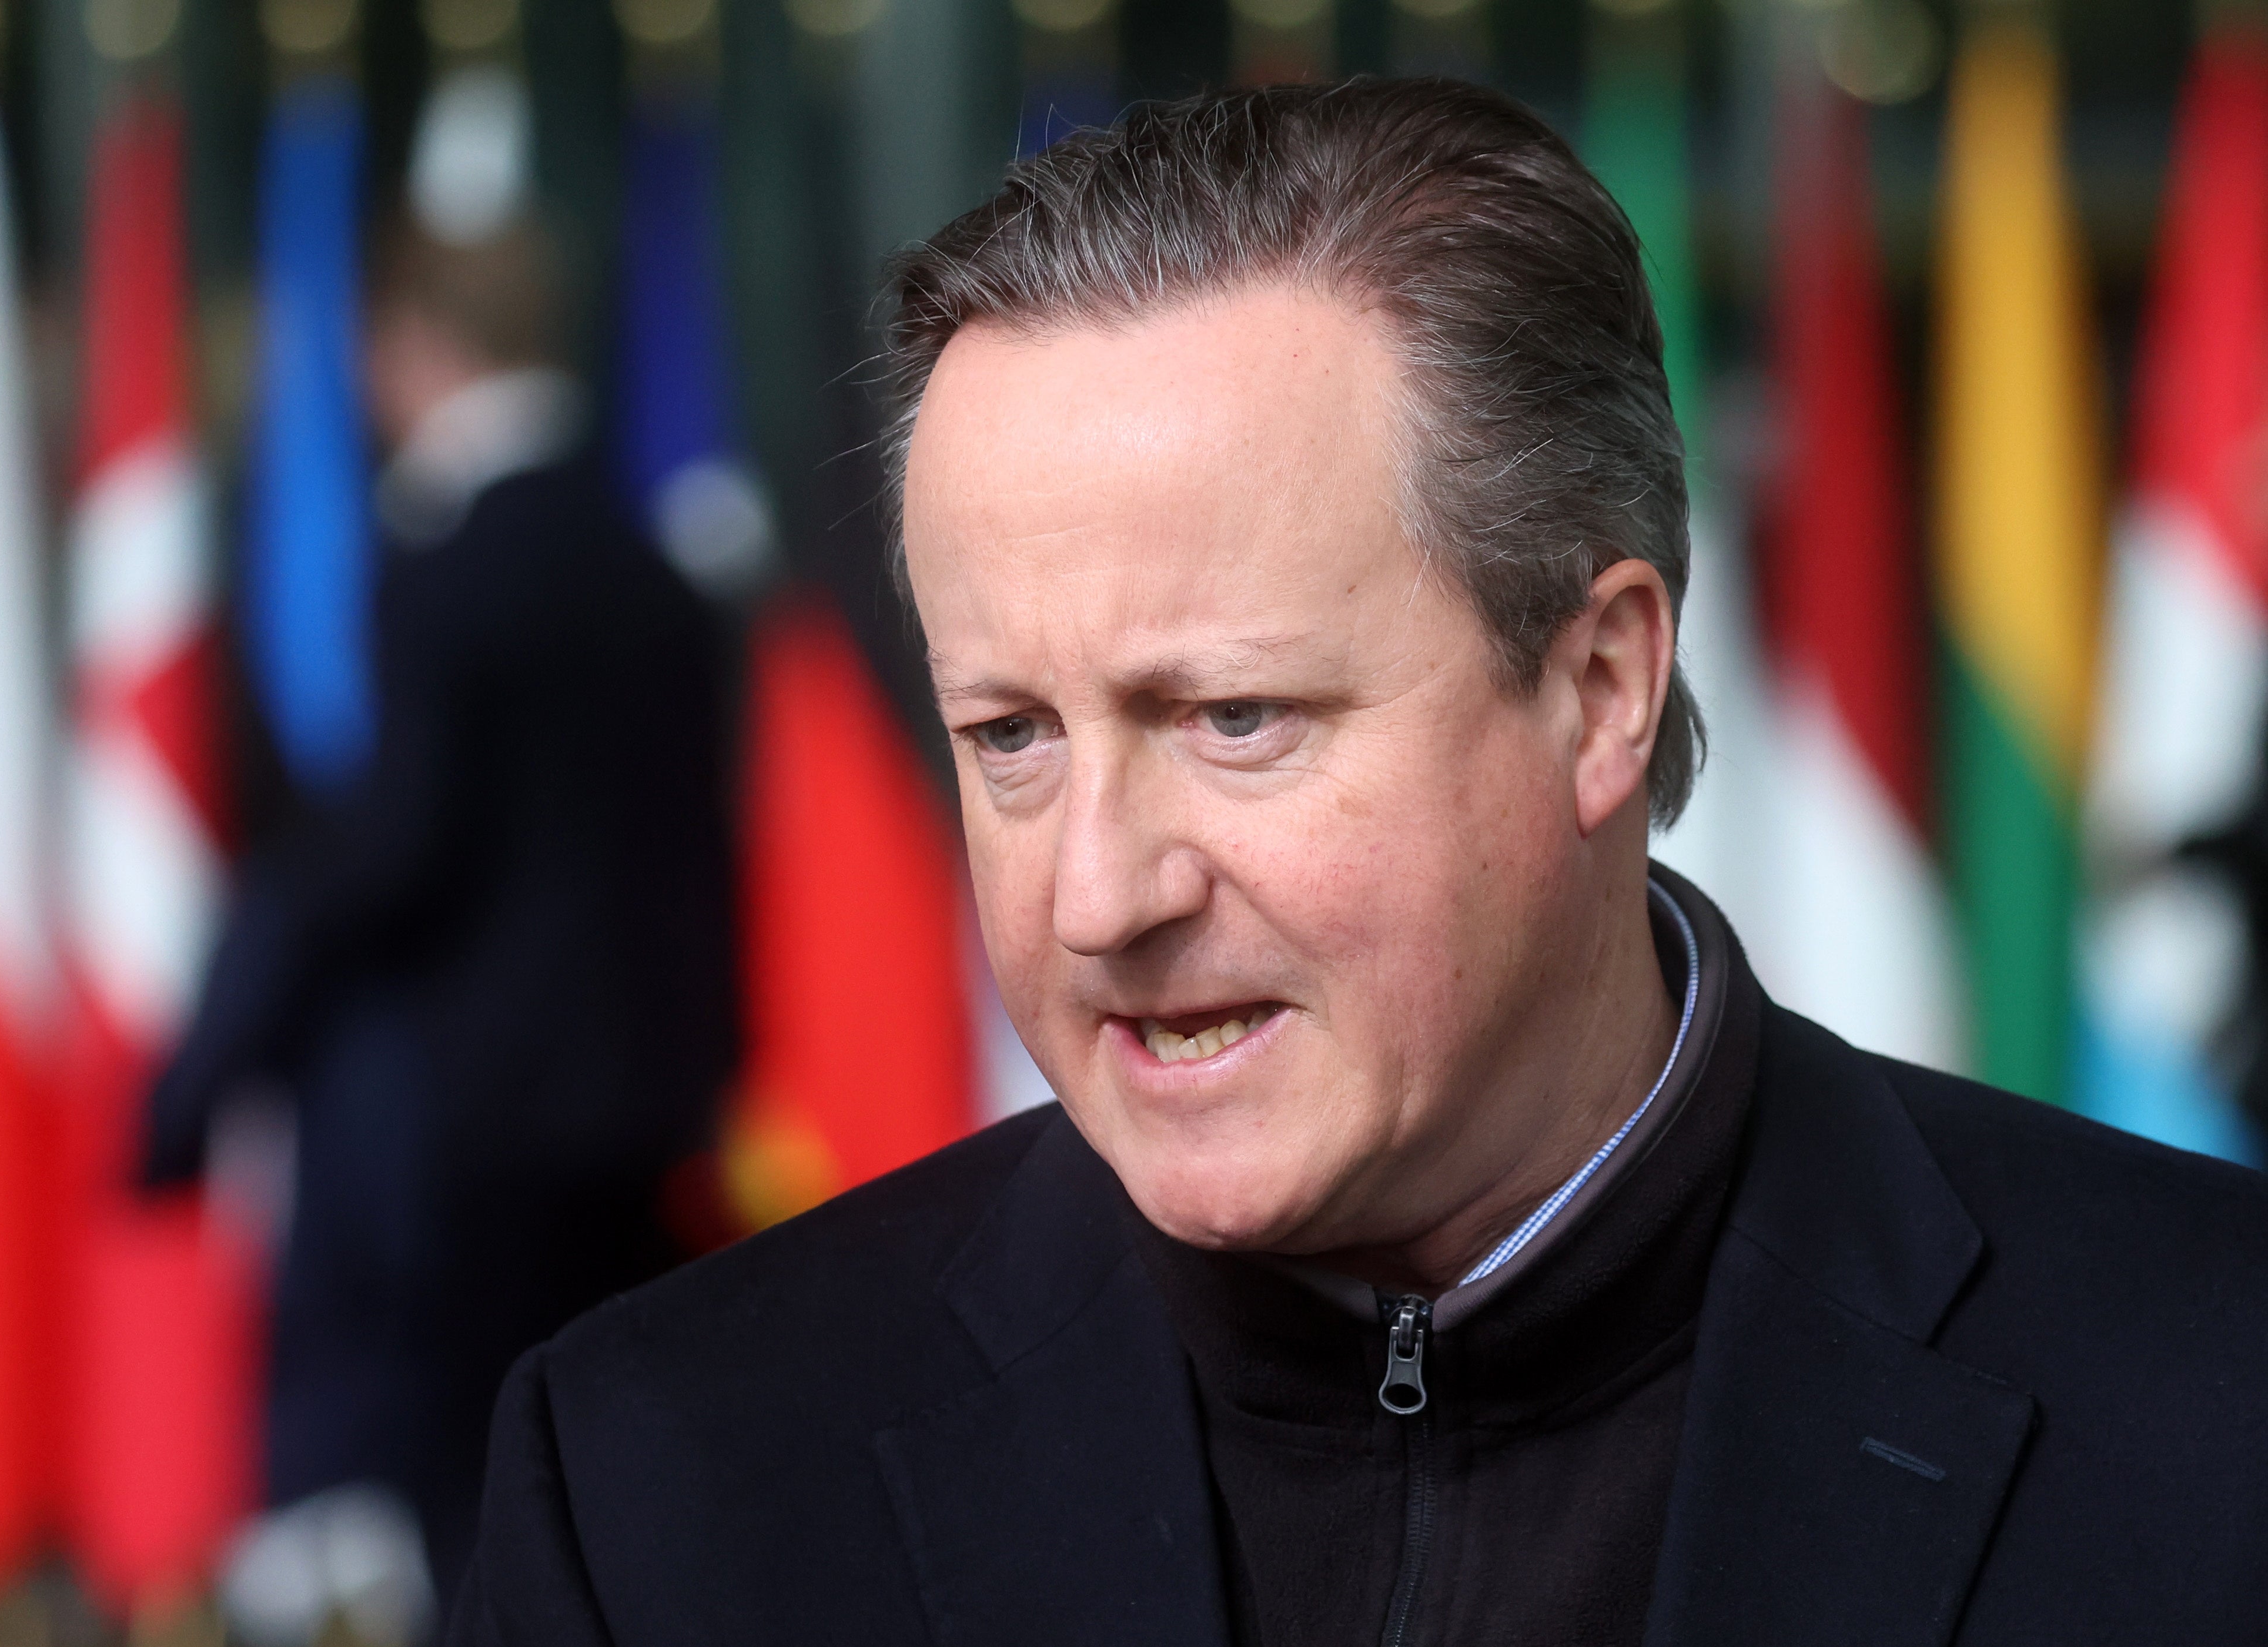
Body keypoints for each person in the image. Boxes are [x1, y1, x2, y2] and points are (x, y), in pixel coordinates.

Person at [447, 78, 2268, 1646]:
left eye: (1233, 718)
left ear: (1596, 686)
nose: (1097, 898)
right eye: (1010, 736)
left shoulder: (2216, 1406)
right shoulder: (655, 1483)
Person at [142, 219, 737, 1623]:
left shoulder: (450, 571)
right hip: (654, 1103)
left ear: (414, 352)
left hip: (481, 1125)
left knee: (480, 1480)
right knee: (615, 1451)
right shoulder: (657, 564)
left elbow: (403, 846)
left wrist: (224, 1044)